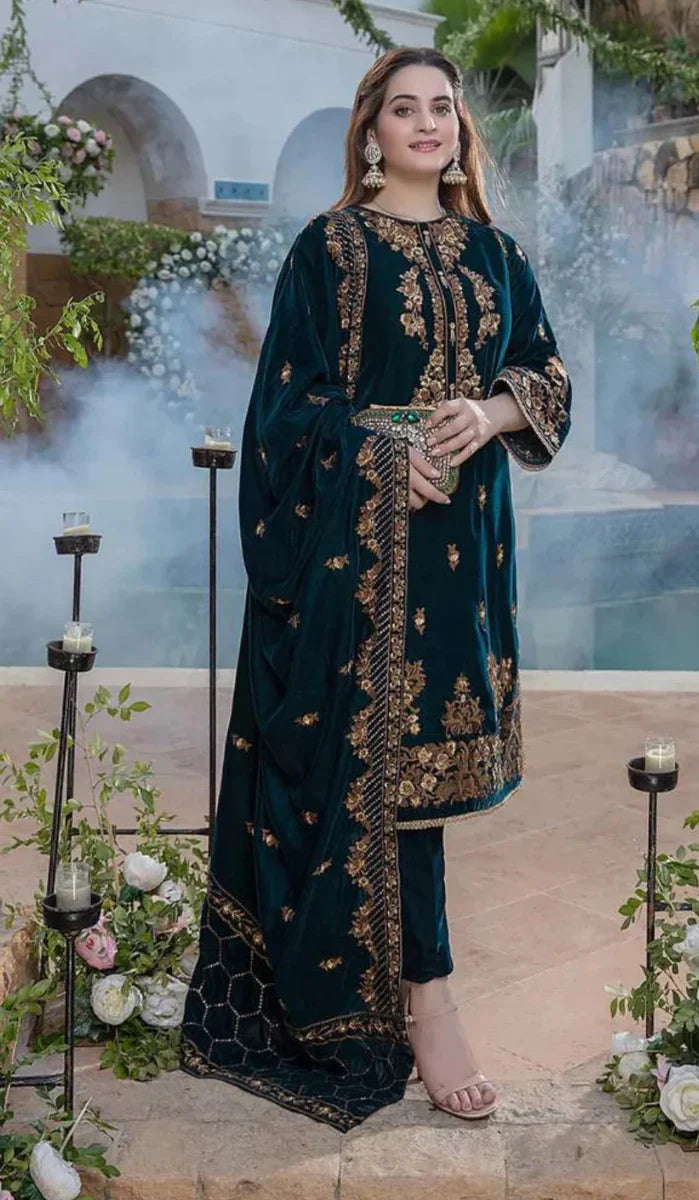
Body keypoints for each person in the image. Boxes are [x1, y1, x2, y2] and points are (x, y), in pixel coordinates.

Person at [180, 44, 572, 1132]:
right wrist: (380, 454)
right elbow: (284, 414)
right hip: (356, 560)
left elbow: (545, 373)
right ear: (371, 131)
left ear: (459, 129)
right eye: (404, 108)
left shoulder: (495, 252)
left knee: (428, 773)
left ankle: (412, 987)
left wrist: (488, 412)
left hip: (461, 555)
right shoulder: (330, 250)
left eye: (442, 106)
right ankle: (427, 1001)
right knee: (381, 772)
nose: (427, 123)